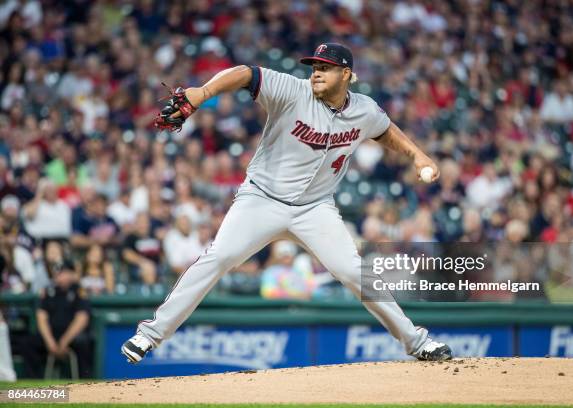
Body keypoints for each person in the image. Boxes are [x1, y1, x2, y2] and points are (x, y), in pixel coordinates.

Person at [122, 43, 452, 363]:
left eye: (326, 68)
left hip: (315, 208)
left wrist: (417, 154)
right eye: (315, 67)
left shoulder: (364, 109)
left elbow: (385, 130)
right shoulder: (293, 90)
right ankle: (150, 335)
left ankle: (417, 342)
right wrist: (203, 93)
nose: (317, 73)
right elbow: (245, 73)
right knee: (218, 257)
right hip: (262, 199)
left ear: (346, 74)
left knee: (355, 272)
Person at [22, 261, 93, 378]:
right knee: (27, 343)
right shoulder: (48, 291)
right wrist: (50, 342)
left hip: (72, 336)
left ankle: (85, 382)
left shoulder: (79, 291)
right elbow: (41, 317)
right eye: (58, 273)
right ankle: (34, 382)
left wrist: (64, 341)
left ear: (71, 274)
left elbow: (82, 318)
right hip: (51, 335)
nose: (60, 276)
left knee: (84, 343)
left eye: (64, 273)